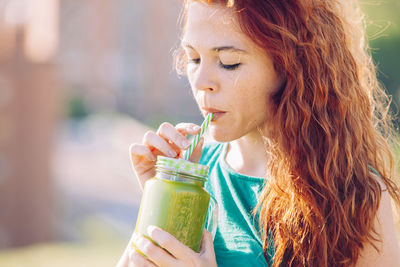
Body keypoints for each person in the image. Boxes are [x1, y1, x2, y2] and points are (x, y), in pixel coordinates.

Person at [117, 0, 400, 266]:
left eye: (228, 62)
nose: (202, 82)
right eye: (193, 59)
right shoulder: (194, 173)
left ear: (290, 64)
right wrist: (161, 202)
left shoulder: (357, 196)